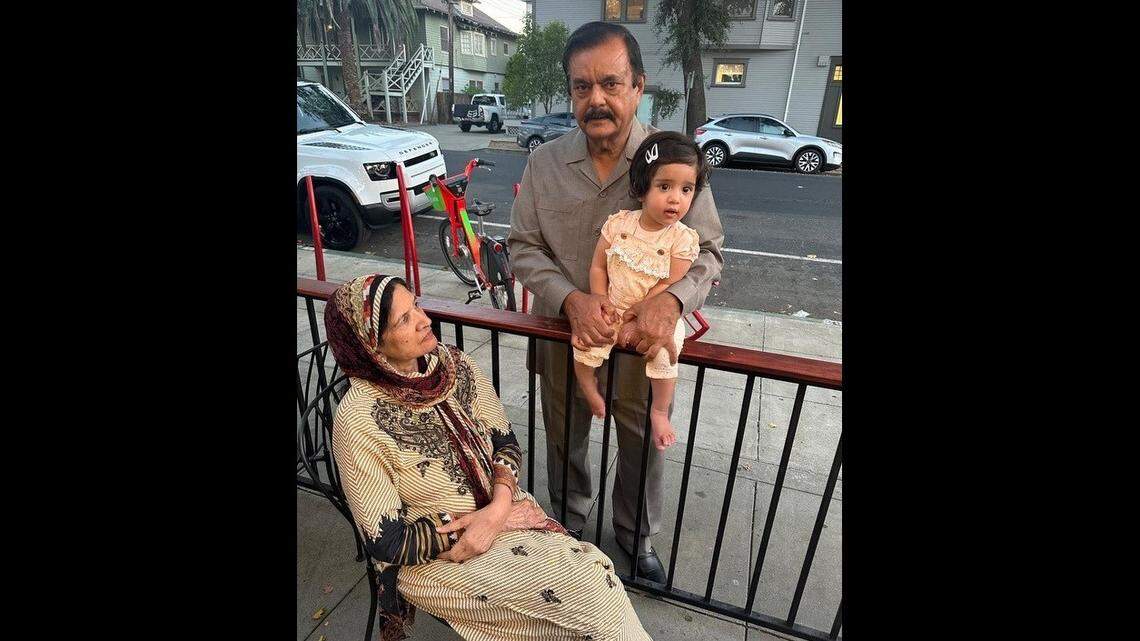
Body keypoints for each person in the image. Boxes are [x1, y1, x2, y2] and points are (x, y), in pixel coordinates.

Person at [508, 21, 725, 583]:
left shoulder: (674, 161)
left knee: (642, 442)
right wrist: (569, 299)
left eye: (610, 82)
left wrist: (672, 302)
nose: (596, 98)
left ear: (638, 87)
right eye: (582, 87)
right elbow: (523, 249)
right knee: (562, 435)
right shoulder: (545, 164)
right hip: (563, 335)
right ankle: (569, 524)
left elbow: (709, 253)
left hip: (643, 339)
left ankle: (635, 535)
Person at [325, 274, 651, 641]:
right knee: (590, 595)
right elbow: (386, 541)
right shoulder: (359, 419)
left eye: (415, 303)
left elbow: (506, 443)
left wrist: (497, 512)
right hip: (436, 557)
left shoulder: (454, 366)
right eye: (404, 319)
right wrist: (476, 524)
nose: (424, 318)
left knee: (593, 585)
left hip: (505, 511)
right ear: (372, 346)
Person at [572, 131, 709, 452]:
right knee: (584, 338)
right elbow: (598, 267)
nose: (676, 198)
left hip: (653, 313)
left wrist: (639, 320)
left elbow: (669, 284)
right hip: (613, 305)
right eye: (665, 187)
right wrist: (599, 298)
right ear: (641, 189)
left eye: (686, 189)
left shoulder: (682, 239)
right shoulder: (619, 224)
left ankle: (659, 411)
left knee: (668, 347)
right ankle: (588, 384)